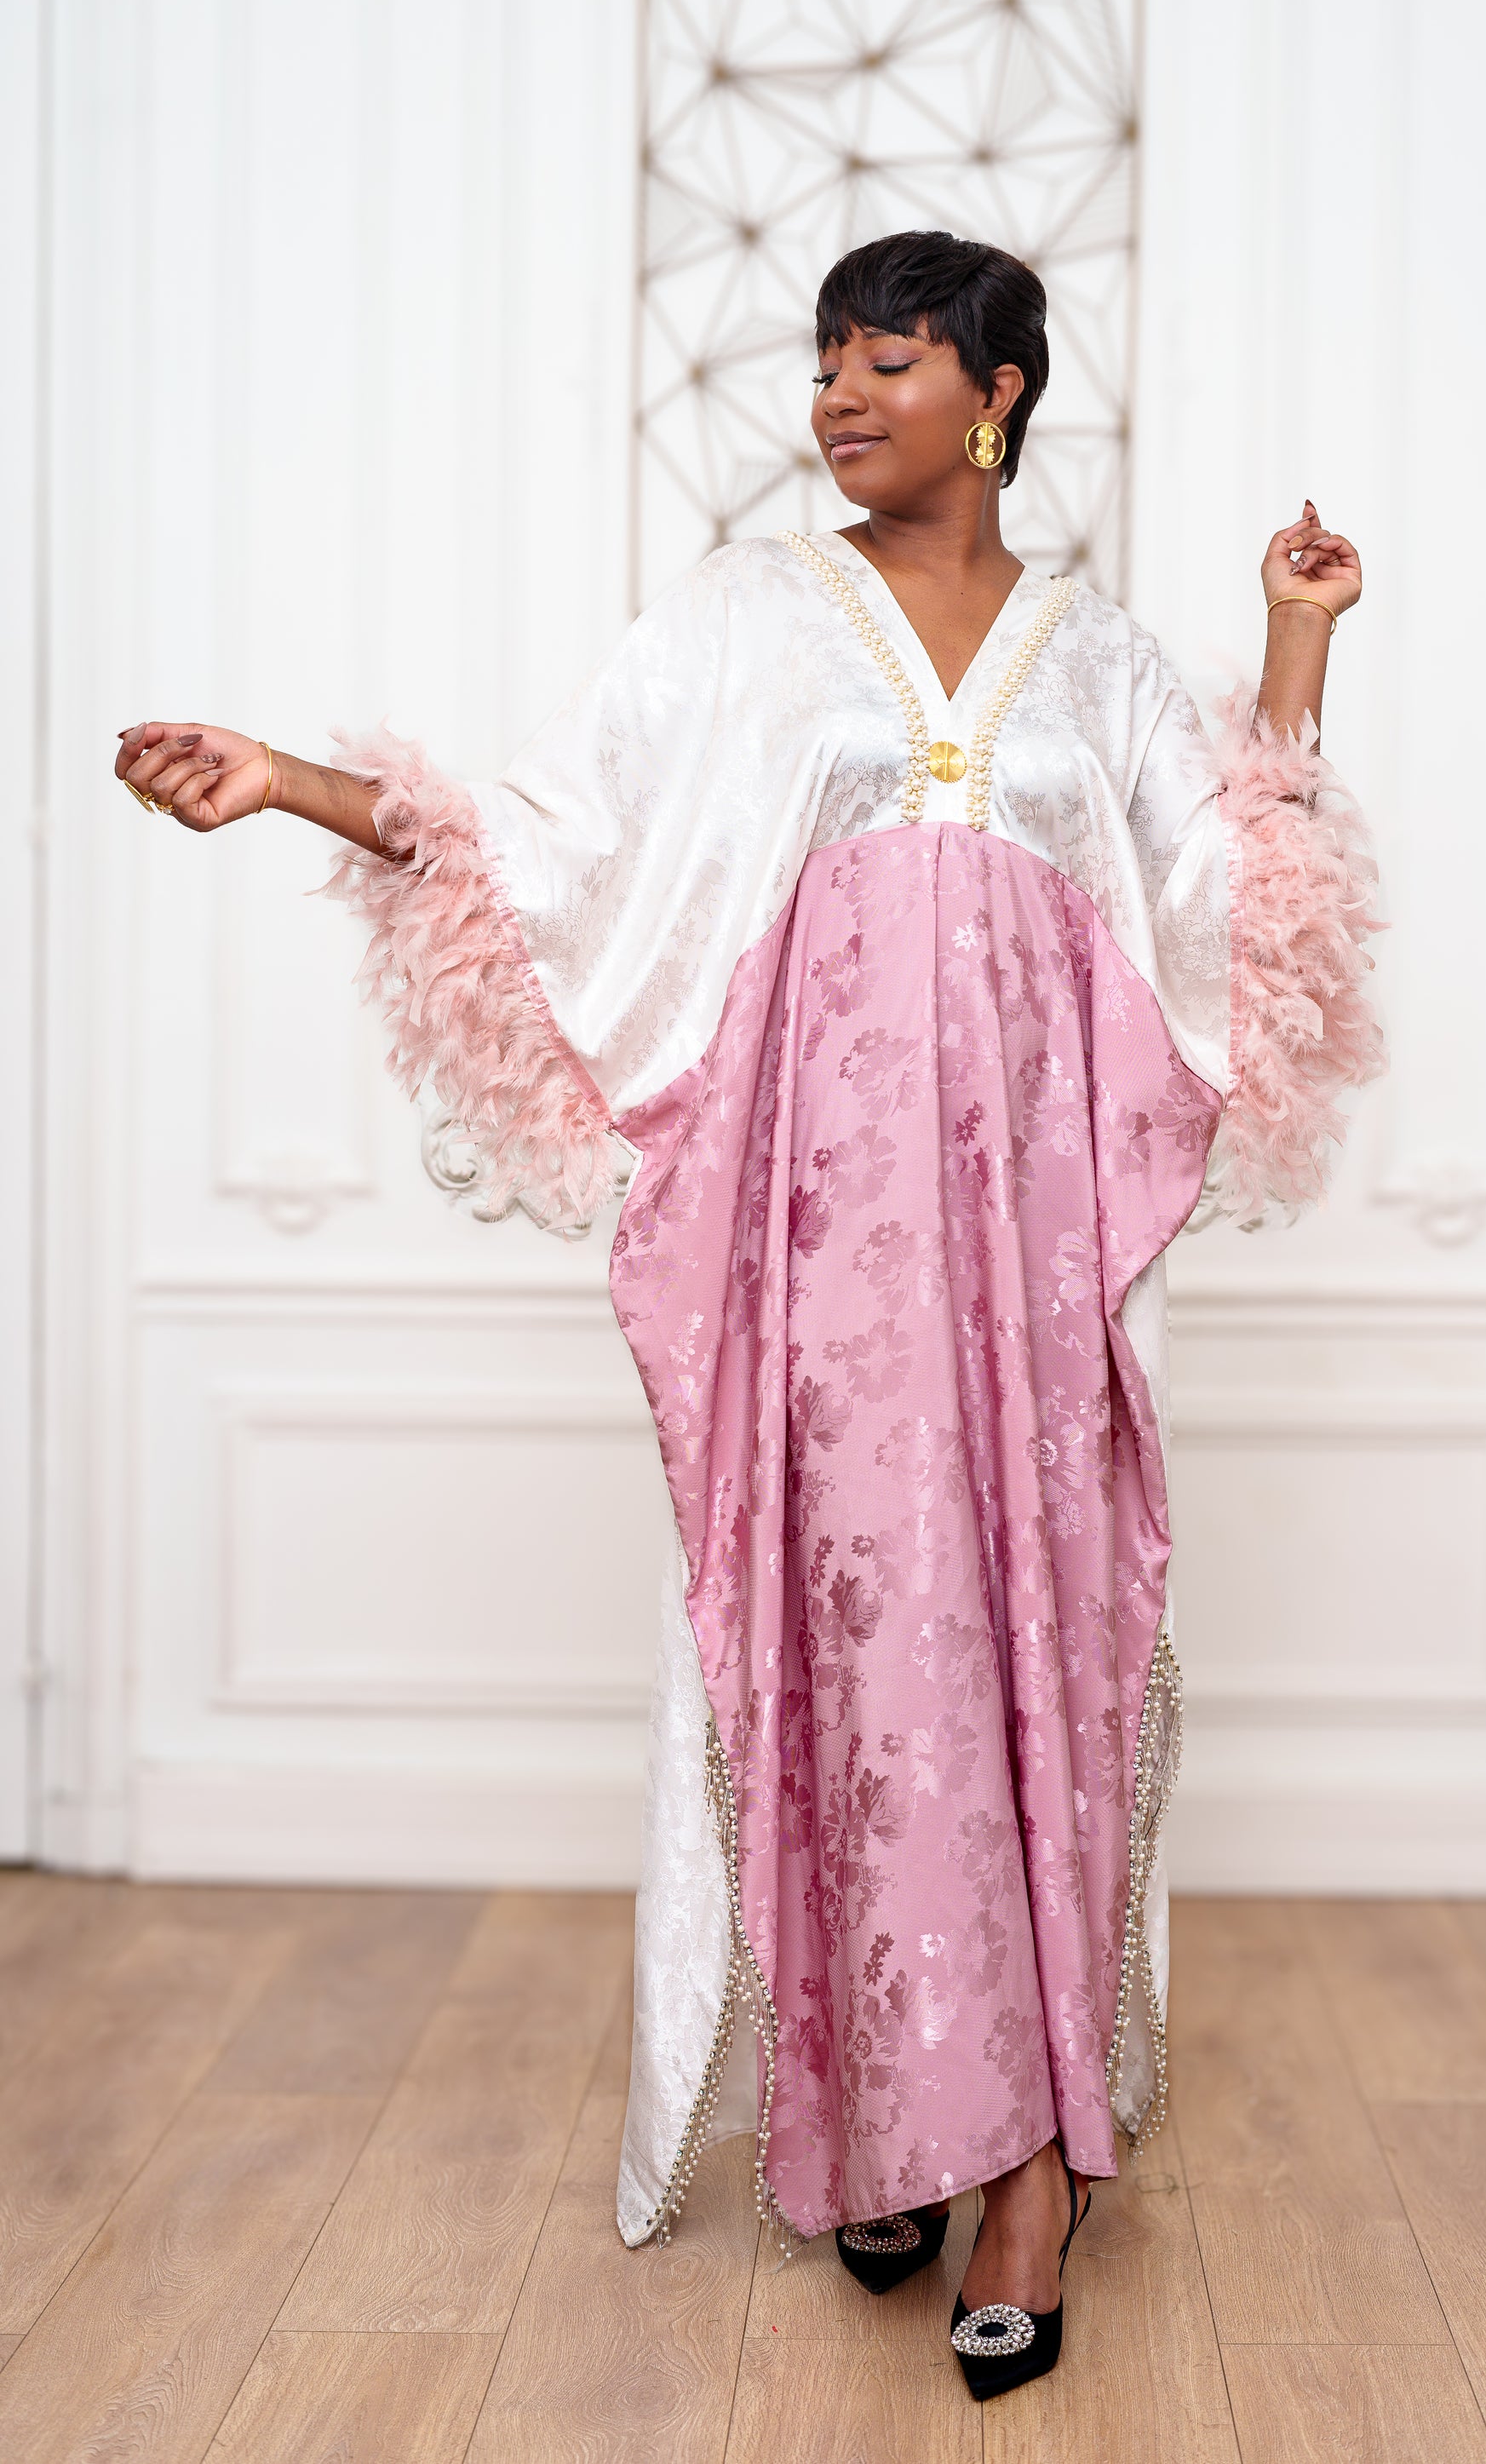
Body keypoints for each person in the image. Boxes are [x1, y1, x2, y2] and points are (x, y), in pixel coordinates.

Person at [113, 230, 1381, 2400]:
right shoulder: (739, 623)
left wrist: (1294, 636)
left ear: (995, 392)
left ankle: (1027, 2172)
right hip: (817, 1278)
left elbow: (1230, 900)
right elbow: (551, 853)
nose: (837, 398)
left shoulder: (1097, 663)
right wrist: (296, 781)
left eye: (886, 360)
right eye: (824, 364)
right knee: (861, 1669)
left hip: (1037, 1277)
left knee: (1038, 1659)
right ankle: (891, 2112)